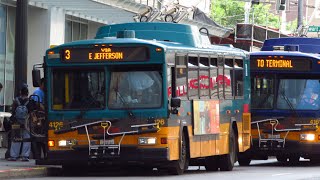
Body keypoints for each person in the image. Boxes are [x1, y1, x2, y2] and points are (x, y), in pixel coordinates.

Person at [7, 84, 34, 161]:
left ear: (20, 92)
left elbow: (12, 111)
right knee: (27, 138)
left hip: (16, 122)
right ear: (27, 92)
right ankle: (25, 156)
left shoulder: (16, 101)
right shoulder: (30, 101)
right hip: (27, 123)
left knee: (16, 137)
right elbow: (32, 112)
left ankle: (14, 156)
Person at [31, 78, 46, 159]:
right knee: (38, 137)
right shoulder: (38, 92)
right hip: (38, 117)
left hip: (42, 117)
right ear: (41, 84)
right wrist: (46, 111)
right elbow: (38, 104)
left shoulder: (45, 91)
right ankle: (38, 155)